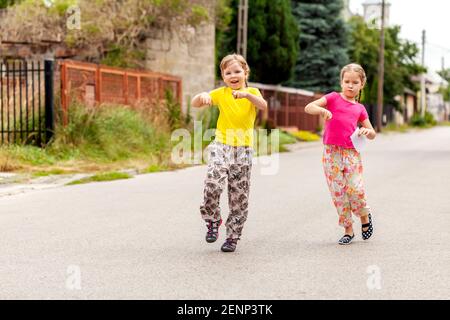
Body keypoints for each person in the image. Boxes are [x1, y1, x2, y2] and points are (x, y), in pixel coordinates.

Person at [191, 54, 267, 252]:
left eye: (237, 71)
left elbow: (263, 105)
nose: (233, 76)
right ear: (223, 77)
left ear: (245, 73)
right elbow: (195, 103)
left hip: (244, 150)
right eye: (228, 73)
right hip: (221, 145)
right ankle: (213, 220)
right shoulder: (222, 93)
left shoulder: (252, 91)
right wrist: (202, 96)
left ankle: (233, 236)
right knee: (212, 183)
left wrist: (247, 96)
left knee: (238, 195)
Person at [305, 63, 376, 245]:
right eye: (347, 81)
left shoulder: (360, 108)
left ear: (361, 84)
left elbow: (372, 133)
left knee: (356, 188)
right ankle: (348, 229)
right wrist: (322, 110)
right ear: (341, 82)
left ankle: (364, 215)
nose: (350, 85)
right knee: (339, 192)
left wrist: (366, 132)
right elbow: (308, 107)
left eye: (354, 82)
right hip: (331, 153)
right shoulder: (333, 98)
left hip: (351, 153)